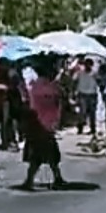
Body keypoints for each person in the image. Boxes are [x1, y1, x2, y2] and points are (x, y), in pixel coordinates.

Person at [20, 58, 67, 190]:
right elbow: (60, 104)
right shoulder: (54, 88)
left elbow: (30, 104)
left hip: (36, 123)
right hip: (48, 124)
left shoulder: (34, 87)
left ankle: (52, 178)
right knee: (47, 153)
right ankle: (35, 180)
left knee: (40, 153)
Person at [75, 57, 99, 135]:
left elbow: (99, 81)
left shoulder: (95, 73)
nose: (87, 66)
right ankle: (80, 128)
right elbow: (75, 81)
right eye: (86, 64)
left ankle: (93, 128)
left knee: (92, 113)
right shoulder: (80, 72)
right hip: (83, 94)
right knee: (82, 113)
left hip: (92, 94)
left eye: (89, 64)